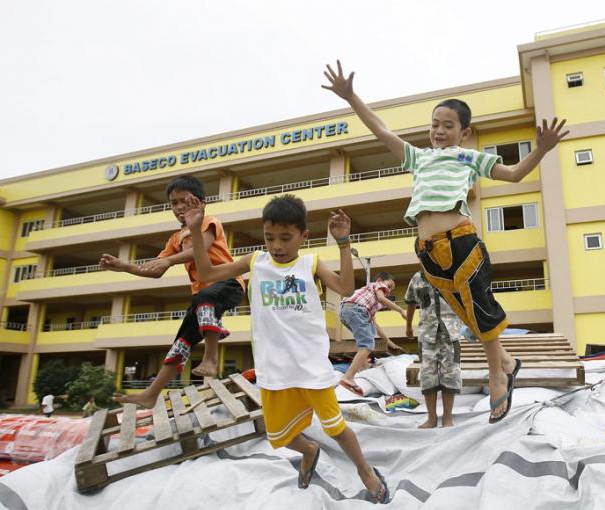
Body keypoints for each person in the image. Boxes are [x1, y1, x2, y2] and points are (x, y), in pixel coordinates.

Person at [323, 61, 569, 423]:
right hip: (428, 253)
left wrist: (542, 149)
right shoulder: (419, 158)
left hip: (460, 242)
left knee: (480, 310)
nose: (439, 131)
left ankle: (499, 375)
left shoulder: (469, 157)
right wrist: (351, 97)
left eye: (448, 125)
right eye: (435, 124)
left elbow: (515, 174)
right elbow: (381, 129)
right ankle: (509, 362)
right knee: (467, 312)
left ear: (464, 132)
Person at [184, 193, 389, 502]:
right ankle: (308, 450)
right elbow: (207, 274)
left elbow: (346, 287)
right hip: (274, 370)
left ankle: (365, 471)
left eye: (285, 238)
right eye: (270, 238)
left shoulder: (310, 263)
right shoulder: (256, 261)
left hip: (311, 369)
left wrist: (343, 243)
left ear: (303, 236)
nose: (277, 246)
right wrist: (198, 232)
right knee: (278, 435)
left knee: (336, 427)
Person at [100, 175, 245, 409]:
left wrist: (170, 261)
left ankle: (210, 358)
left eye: (183, 201)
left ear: (200, 202)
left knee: (205, 296)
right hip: (202, 297)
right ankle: (151, 394)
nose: (179, 207)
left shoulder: (209, 221)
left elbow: (202, 247)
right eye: (173, 203)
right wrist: (126, 267)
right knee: (182, 342)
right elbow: (156, 269)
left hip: (228, 283)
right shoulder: (175, 238)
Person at [405, 270, 464, 428]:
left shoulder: (452, 275)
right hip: (427, 335)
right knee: (427, 377)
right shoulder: (417, 278)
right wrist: (408, 326)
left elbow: (466, 301)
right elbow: (410, 302)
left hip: (451, 334)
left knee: (451, 376)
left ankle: (447, 418)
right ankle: (431, 418)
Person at [337, 273, 406, 396]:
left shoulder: (371, 301)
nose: (388, 291)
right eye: (389, 286)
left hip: (346, 311)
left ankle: (362, 367)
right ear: (380, 280)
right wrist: (401, 310)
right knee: (367, 344)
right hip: (356, 309)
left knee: (368, 334)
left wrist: (389, 342)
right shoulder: (377, 286)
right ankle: (348, 377)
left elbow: (374, 324)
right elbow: (381, 298)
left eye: (390, 289)